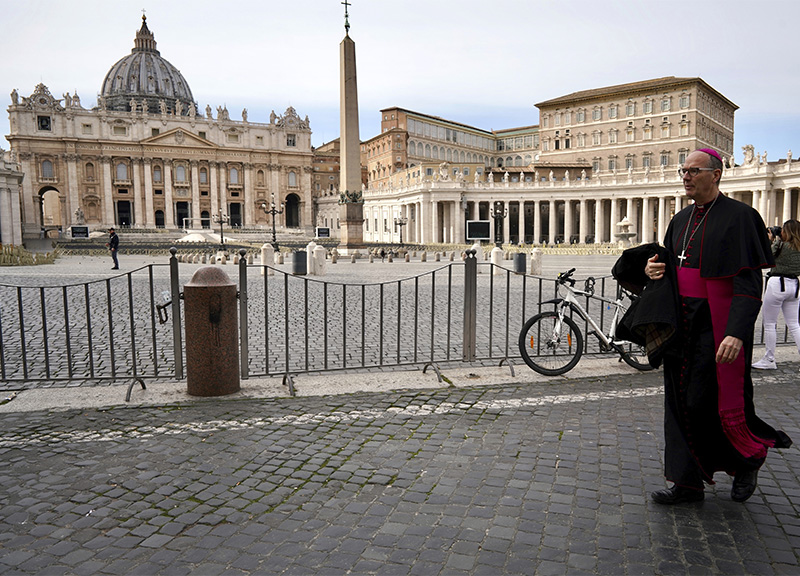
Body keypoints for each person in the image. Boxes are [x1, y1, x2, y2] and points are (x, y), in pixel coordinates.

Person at [644, 148, 791, 505]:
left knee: (706, 402)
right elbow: (666, 267)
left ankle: (747, 461)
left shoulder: (742, 217)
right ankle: (687, 483)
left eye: (694, 171)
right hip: (682, 322)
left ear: (716, 174)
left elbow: (748, 283)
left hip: (717, 324)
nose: (686, 176)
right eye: (683, 171)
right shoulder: (679, 220)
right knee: (678, 403)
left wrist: (737, 332)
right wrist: (651, 271)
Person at [753, 220, 800, 370]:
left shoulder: (781, 245)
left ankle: (769, 358)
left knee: (769, 324)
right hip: (794, 286)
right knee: (794, 325)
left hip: (777, 284)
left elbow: (766, 257)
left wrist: (770, 240)